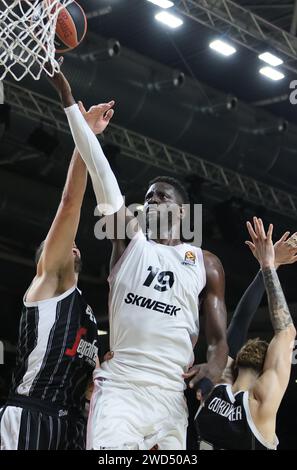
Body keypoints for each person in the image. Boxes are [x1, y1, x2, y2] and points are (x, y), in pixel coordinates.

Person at [45, 65, 229, 450]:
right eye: (145, 197)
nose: (148, 201)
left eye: (159, 196)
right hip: (122, 388)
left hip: (170, 397)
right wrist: (67, 98)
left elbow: (217, 340)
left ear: (182, 211)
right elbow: (101, 171)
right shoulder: (129, 241)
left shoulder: (206, 263)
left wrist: (213, 366)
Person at [0, 98, 114, 450]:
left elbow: (88, 372)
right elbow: (70, 202)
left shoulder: (88, 314)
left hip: (70, 424)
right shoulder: (49, 283)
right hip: (31, 414)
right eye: (66, 244)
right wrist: (85, 138)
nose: (73, 244)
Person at [195, 217, 296, 450]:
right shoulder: (224, 386)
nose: (252, 343)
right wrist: (267, 266)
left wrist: (269, 265)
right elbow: (244, 322)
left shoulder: (228, 393)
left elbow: (278, 330)